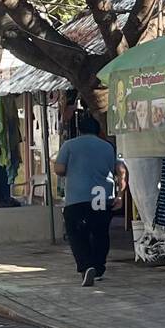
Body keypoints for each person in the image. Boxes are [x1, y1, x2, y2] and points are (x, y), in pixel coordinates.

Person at [54, 114, 117, 286]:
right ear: (98, 130)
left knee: (76, 233)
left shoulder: (69, 145)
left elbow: (59, 168)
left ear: (80, 130)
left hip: (77, 197)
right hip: (102, 196)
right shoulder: (108, 147)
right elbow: (113, 169)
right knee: (100, 233)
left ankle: (86, 266)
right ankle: (98, 267)